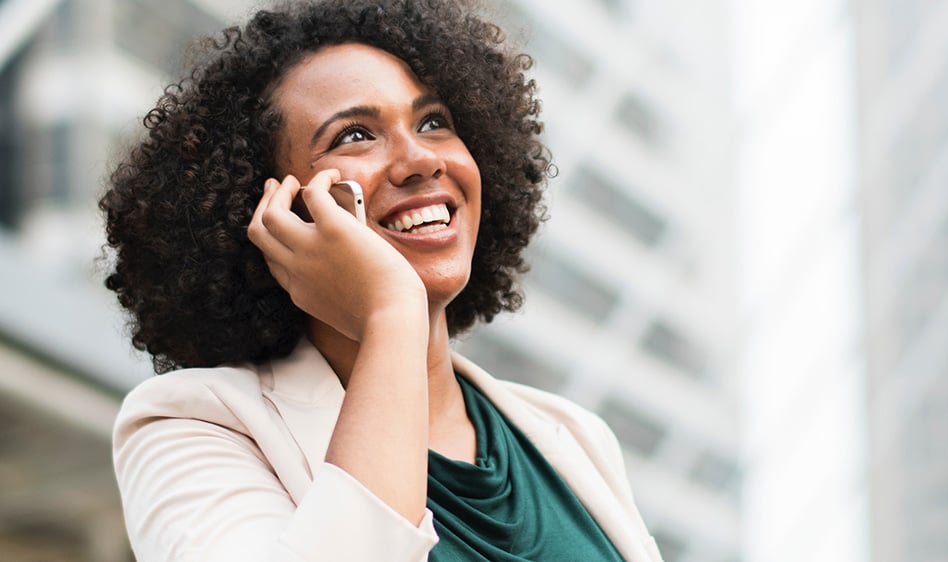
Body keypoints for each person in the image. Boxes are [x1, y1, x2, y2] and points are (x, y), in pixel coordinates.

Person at [101, 0, 663, 560]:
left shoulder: (574, 435)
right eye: (354, 136)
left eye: (434, 122)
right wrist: (391, 313)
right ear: (273, 209)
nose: (420, 159)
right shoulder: (192, 426)